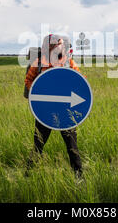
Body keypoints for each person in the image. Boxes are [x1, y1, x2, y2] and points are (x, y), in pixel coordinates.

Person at [24, 34, 83, 177]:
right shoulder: (38, 63)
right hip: (44, 112)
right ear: (48, 47)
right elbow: (29, 81)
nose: (59, 47)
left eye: (60, 44)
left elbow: (80, 82)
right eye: (56, 45)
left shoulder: (69, 63)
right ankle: (28, 175)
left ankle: (79, 177)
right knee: (38, 145)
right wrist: (38, 92)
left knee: (72, 147)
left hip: (65, 112)